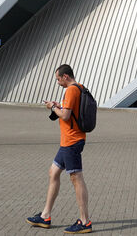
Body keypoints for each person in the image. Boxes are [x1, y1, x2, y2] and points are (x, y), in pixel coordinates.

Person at [26, 64, 92, 233]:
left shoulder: (71, 90)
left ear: (65, 76)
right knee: (53, 172)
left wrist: (53, 107)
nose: (58, 82)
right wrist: (59, 106)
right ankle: (45, 216)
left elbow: (66, 115)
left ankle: (85, 221)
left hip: (72, 141)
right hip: (67, 142)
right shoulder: (80, 87)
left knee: (76, 178)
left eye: (58, 79)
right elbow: (70, 111)